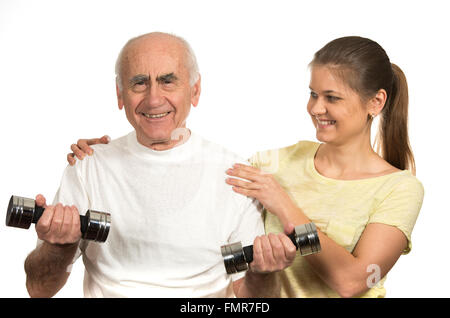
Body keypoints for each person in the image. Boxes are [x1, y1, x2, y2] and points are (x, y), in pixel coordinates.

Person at [71, 36, 424, 298]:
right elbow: (197, 165)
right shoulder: (276, 163)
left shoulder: (399, 188)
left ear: (376, 102)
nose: (316, 108)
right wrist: (113, 152)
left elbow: (353, 281)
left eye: (332, 98)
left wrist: (285, 206)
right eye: (313, 94)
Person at [24, 32, 297, 298]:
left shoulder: (235, 175)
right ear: (120, 95)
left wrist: (262, 273)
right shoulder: (88, 167)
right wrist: (59, 245)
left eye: (168, 82)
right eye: (139, 83)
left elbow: (250, 299)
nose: (154, 99)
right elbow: (39, 290)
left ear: (195, 90)